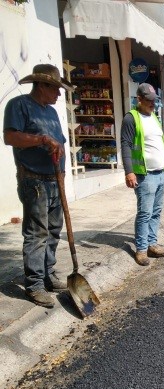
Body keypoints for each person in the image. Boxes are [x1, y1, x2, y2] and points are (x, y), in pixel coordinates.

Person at [3, 64, 70, 308]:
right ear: (41, 85)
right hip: (34, 181)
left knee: (53, 230)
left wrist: (62, 173)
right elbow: (11, 137)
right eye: (55, 89)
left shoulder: (51, 113)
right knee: (36, 233)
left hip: (55, 180)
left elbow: (59, 145)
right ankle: (34, 285)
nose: (59, 94)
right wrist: (41, 139)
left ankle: (48, 274)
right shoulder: (19, 106)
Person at [120, 83, 164, 266]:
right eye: (149, 101)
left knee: (156, 211)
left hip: (159, 173)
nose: (153, 104)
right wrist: (129, 172)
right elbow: (126, 145)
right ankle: (142, 250)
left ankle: (152, 243)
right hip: (144, 175)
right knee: (145, 212)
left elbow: (161, 144)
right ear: (139, 99)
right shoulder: (131, 118)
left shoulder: (154, 117)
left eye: (154, 101)